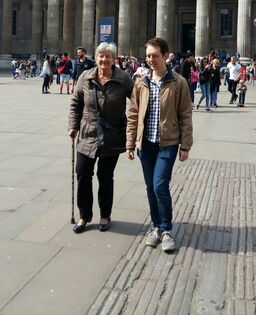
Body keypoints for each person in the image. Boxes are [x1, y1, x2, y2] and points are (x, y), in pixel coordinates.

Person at [126, 37, 193, 252]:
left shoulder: (179, 82)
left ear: (165, 55)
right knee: (150, 187)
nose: (150, 59)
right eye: (147, 56)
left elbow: (185, 115)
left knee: (159, 186)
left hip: (168, 143)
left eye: (154, 55)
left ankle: (166, 229)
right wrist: (130, 143)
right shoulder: (141, 83)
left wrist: (185, 145)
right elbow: (133, 114)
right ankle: (156, 226)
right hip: (145, 144)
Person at [68, 42, 133, 234]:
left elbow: (137, 102)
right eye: (101, 56)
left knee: (105, 177)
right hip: (87, 133)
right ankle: (84, 215)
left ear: (114, 59)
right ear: (96, 58)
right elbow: (75, 102)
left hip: (111, 136)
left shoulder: (123, 79)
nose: (104, 59)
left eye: (108, 56)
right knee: (82, 173)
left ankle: (105, 215)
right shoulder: (85, 77)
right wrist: (73, 125)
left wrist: (133, 129)